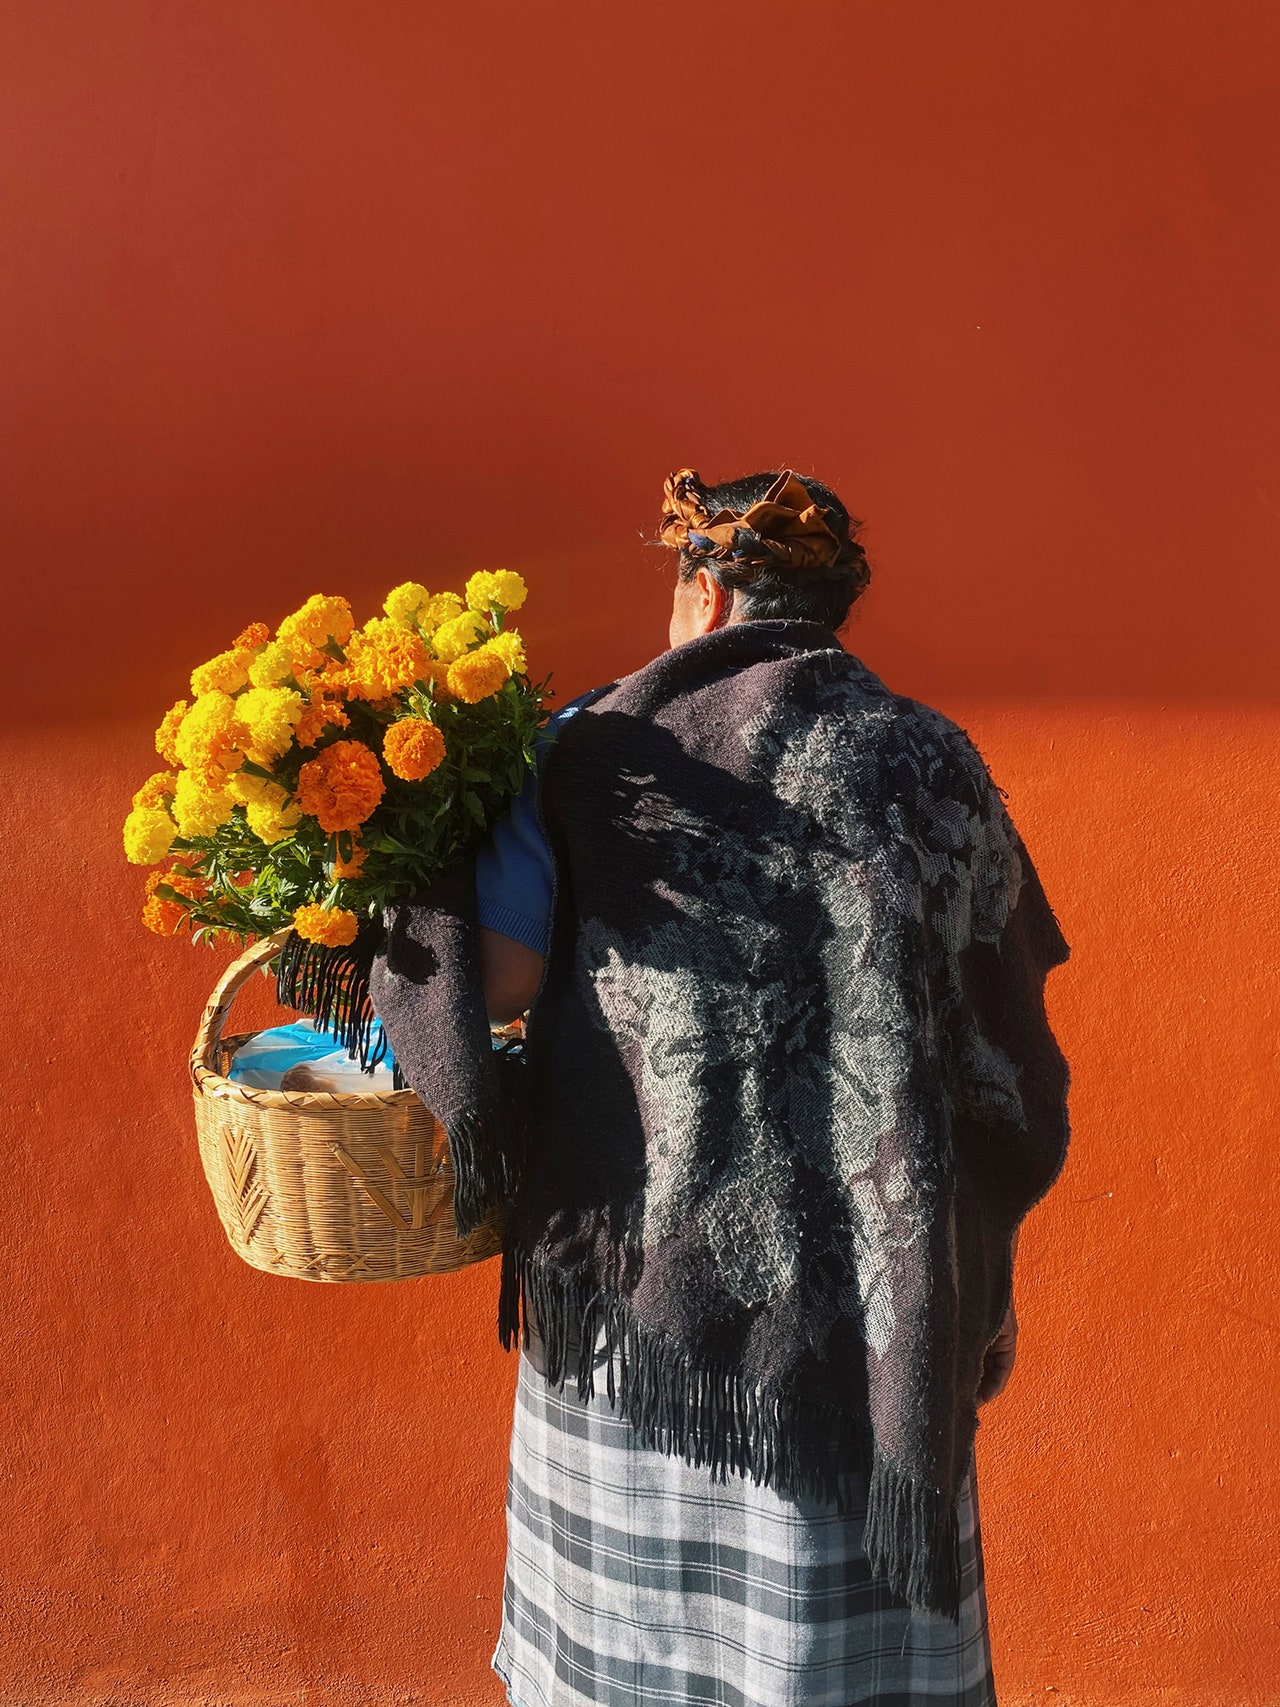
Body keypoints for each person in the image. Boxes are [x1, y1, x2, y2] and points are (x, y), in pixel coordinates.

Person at [372, 467, 1071, 1707]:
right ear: (824, 607)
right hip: (872, 1309)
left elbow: (499, 989)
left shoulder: (593, 748)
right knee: (826, 1661)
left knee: (625, 1660)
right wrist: (978, 1280)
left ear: (702, 595)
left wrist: (405, 874)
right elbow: (993, 1041)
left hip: (642, 1307)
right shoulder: (932, 760)